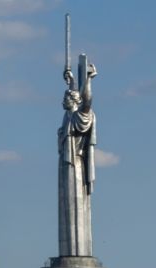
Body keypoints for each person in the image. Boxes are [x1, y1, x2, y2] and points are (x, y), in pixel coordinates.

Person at [57, 63, 97, 257]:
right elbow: (77, 96)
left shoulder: (79, 117)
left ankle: (78, 252)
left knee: (76, 209)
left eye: (66, 97)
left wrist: (88, 79)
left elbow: (87, 101)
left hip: (76, 167)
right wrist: (72, 80)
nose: (63, 100)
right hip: (65, 167)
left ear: (73, 101)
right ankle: (69, 254)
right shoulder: (67, 117)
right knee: (66, 210)